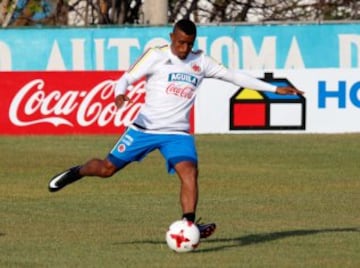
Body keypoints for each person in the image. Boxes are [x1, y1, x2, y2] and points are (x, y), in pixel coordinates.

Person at [48, 19, 304, 239]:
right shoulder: (156, 55)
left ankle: (189, 225)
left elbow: (234, 76)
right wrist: (120, 93)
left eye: (189, 43)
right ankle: (77, 172)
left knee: (189, 173)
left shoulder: (201, 61)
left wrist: (274, 89)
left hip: (177, 134)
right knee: (106, 169)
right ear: (172, 37)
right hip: (144, 128)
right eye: (180, 42)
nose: (184, 48)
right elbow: (126, 77)